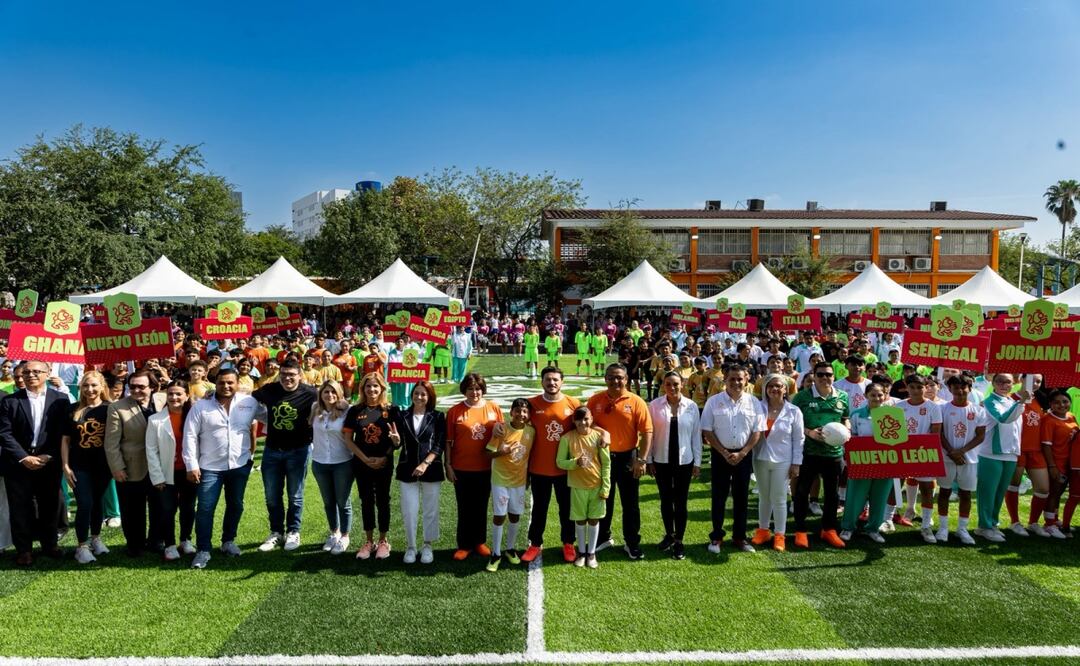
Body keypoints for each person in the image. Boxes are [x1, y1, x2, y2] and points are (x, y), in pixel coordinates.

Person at [183, 368, 264, 569]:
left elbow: (271, 418)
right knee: (205, 508)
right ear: (215, 383)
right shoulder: (201, 407)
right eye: (222, 383)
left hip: (239, 465)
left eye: (230, 382)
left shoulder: (248, 403)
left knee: (235, 504)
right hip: (209, 467)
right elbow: (190, 436)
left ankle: (228, 541)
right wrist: (191, 465)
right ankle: (203, 549)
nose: (226, 386)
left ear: (238, 383)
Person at [586, 363, 653, 560]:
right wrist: (602, 431)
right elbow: (585, 422)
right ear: (605, 379)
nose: (616, 381)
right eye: (611, 377)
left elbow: (647, 431)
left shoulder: (636, 401)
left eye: (620, 377)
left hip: (628, 458)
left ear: (626, 379)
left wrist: (641, 460)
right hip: (602, 458)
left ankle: (632, 542)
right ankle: (603, 538)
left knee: (630, 504)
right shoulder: (595, 400)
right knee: (603, 498)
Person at [252, 360, 318, 553]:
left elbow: (331, 399)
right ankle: (276, 532)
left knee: (295, 495)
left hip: (299, 451)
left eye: (291, 374)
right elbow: (246, 399)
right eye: (284, 375)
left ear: (299, 375)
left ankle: (293, 531)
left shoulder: (310, 392)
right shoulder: (269, 390)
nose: (287, 378)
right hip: (272, 450)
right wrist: (212, 395)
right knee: (272, 496)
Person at [702, 364, 765, 553]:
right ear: (725, 380)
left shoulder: (754, 402)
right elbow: (707, 429)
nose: (736, 382)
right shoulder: (713, 401)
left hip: (743, 456)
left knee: (741, 497)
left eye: (740, 379)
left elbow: (757, 431)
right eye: (732, 379)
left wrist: (743, 453)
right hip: (721, 455)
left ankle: (739, 537)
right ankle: (716, 538)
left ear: (746, 380)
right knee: (719, 497)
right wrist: (723, 452)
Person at [104, 371, 167, 556]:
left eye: (141, 386)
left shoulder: (164, 400)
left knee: (160, 505)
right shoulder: (117, 407)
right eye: (132, 387)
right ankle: (135, 544)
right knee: (132, 509)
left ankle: (157, 540)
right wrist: (117, 468)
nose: (136, 390)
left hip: (160, 465)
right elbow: (111, 442)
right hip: (131, 466)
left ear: (153, 387)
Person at [521, 367, 580, 564]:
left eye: (555, 380)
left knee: (566, 508)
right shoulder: (532, 404)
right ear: (542, 382)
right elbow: (519, 428)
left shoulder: (573, 403)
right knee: (539, 508)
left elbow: (584, 430)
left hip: (565, 469)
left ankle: (568, 543)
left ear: (562, 382)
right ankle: (535, 543)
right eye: (548, 379)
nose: (552, 383)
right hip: (539, 469)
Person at [791, 361, 850, 549]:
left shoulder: (842, 396)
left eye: (829, 375)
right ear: (814, 376)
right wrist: (810, 433)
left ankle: (828, 529)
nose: (825, 378)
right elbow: (794, 424)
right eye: (821, 374)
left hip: (834, 454)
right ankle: (800, 530)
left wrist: (846, 430)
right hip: (808, 452)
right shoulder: (801, 397)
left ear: (834, 377)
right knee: (802, 492)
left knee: (832, 495)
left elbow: (845, 418)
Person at [343, 372, 401, 560]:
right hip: (362, 463)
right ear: (362, 389)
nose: (372, 390)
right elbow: (348, 439)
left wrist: (385, 456)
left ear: (382, 388)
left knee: (383, 499)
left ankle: (383, 540)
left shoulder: (392, 410)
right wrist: (364, 458)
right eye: (368, 386)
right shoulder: (355, 410)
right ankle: (369, 541)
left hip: (385, 463)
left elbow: (397, 441)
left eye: (376, 386)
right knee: (366, 499)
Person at [446, 373, 503, 560]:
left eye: (478, 388)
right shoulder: (455, 411)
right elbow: (448, 442)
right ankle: (464, 544)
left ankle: (479, 541)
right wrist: (448, 464)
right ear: (465, 390)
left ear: (483, 389)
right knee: (464, 507)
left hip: (486, 467)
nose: (474, 392)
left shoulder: (494, 408)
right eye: (470, 388)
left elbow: (502, 435)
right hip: (461, 467)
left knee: (481, 505)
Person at [647, 371, 702, 560]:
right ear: (663, 385)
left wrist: (698, 462)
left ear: (682, 384)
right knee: (665, 499)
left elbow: (696, 435)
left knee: (680, 501)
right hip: (661, 460)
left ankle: (679, 540)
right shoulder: (654, 406)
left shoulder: (692, 406)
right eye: (668, 384)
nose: (672, 388)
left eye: (676, 384)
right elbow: (650, 434)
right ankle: (669, 534)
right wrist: (648, 460)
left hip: (684, 461)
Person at [60, 371, 113, 564]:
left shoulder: (110, 409)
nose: (89, 389)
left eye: (93, 385)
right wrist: (65, 466)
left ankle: (96, 538)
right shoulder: (73, 410)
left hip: (103, 465)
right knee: (84, 503)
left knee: (97, 501)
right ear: (80, 387)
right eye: (85, 385)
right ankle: (81, 546)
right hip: (78, 465)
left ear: (101, 387)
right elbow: (65, 440)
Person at [751, 373, 804, 552]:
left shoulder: (794, 411)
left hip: (783, 460)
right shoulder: (757, 407)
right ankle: (763, 530)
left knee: (779, 498)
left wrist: (796, 463)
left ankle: (780, 535)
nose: (775, 389)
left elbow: (799, 439)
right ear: (765, 389)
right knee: (764, 497)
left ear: (785, 389)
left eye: (779, 386)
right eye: (771, 386)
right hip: (760, 458)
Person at [145, 380, 198, 561]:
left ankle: (185, 540)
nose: (174, 397)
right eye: (170, 394)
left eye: (178, 394)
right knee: (167, 509)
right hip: (167, 473)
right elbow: (150, 450)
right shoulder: (155, 420)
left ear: (187, 396)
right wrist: (157, 477)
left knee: (188, 508)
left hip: (190, 472)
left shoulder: (195, 416)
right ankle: (169, 544)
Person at [394, 381, 444, 564]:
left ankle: (427, 545)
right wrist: (395, 440)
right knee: (409, 510)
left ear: (429, 396)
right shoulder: (402, 415)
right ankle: (411, 546)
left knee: (430, 510)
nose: (419, 397)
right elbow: (398, 443)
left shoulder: (438, 416)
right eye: (416, 393)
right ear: (411, 395)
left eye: (423, 394)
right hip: (407, 469)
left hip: (431, 469)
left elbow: (439, 444)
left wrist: (425, 464)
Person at [556, 406, 611, 569]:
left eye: (586, 418)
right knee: (580, 520)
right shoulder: (567, 438)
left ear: (592, 419)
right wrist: (575, 463)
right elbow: (559, 462)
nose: (583, 422)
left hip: (596, 486)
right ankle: (581, 552)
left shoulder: (599, 437)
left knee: (594, 519)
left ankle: (591, 553)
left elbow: (606, 464)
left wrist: (605, 486)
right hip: (577, 487)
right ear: (574, 421)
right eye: (579, 419)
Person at [935, 374, 987, 545]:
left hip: (969, 459)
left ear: (969, 389)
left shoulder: (978, 410)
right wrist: (951, 452)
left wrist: (961, 451)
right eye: (955, 387)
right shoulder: (942, 409)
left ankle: (962, 529)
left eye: (963, 387)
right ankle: (943, 528)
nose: (959, 390)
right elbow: (939, 433)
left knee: (965, 494)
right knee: (944, 492)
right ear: (949, 389)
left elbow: (980, 436)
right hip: (947, 457)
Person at [484, 398, 535, 571]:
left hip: (519, 482)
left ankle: (510, 549)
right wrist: (501, 452)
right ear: (511, 412)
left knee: (515, 515)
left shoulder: (531, 431)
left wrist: (528, 478)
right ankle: (496, 553)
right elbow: (487, 453)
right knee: (499, 515)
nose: (521, 414)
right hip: (500, 480)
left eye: (525, 412)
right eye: (518, 411)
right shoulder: (502, 429)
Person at [975, 373, 1026, 542]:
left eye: (1008, 382)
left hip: (1010, 453)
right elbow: (1004, 419)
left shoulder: (1012, 401)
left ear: (1014, 384)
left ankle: (993, 523)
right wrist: (1021, 402)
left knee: (1000, 492)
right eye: (1001, 381)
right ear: (994, 383)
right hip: (991, 453)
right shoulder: (990, 401)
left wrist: (1019, 402)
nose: (1005, 385)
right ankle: (983, 526)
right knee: (988, 491)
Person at [840, 382, 892, 544]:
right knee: (855, 496)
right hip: (862, 461)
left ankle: (873, 528)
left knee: (880, 497)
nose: (877, 398)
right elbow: (852, 439)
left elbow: (897, 439)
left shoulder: (892, 415)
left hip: (885, 462)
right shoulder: (856, 415)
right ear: (866, 396)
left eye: (880, 395)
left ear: (885, 396)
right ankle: (848, 527)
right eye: (873, 395)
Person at [895, 375, 944, 543]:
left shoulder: (933, 407)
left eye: (920, 387)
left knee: (927, 488)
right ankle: (888, 519)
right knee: (896, 483)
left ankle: (926, 525)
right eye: (912, 387)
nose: (916, 390)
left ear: (926, 388)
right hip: (902, 452)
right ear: (906, 387)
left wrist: (921, 447)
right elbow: (894, 430)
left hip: (924, 452)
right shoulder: (898, 406)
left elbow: (936, 431)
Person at [309, 380, 354, 555]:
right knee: (328, 502)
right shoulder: (315, 408)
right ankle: (334, 532)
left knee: (343, 502)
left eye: (333, 392)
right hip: (320, 463)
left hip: (342, 462)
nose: (330, 395)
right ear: (321, 394)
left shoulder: (347, 411)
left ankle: (345, 535)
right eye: (326, 392)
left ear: (340, 393)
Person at [1005, 375, 1050, 536]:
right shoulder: (1011, 398)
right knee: (1013, 486)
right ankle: (1015, 522)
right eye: (1032, 380)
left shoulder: (1041, 400)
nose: (1036, 384)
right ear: (1021, 379)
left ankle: (1033, 523)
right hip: (1017, 449)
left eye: (1039, 381)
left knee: (1043, 488)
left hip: (1036, 450)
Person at [1039, 389, 1076, 539]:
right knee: (1053, 493)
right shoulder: (1048, 420)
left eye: (1065, 401)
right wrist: (1052, 466)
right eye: (1057, 402)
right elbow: (1046, 445)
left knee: (1059, 493)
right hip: (1057, 463)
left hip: (1070, 463)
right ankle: (1049, 525)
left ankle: (1054, 519)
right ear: (1051, 405)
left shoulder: (1071, 416)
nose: (1062, 405)